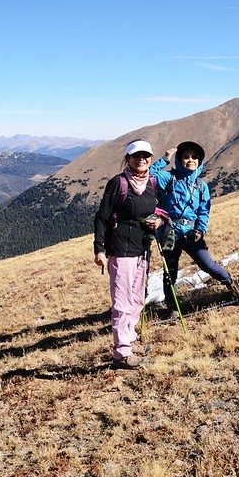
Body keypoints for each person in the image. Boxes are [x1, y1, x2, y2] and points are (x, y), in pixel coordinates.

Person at [94, 140, 161, 370]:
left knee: (136, 299)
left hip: (142, 250)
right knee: (121, 303)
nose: (141, 159)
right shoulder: (119, 183)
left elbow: (155, 210)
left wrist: (158, 220)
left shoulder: (151, 182)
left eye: (145, 156)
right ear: (128, 159)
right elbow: (102, 217)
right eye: (136, 156)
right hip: (121, 251)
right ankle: (121, 354)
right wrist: (99, 249)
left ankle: (130, 342)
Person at [150, 141, 236, 311]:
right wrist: (165, 159)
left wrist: (200, 231)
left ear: (200, 160)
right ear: (179, 159)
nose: (191, 160)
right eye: (186, 156)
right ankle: (173, 306)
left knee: (207, 264)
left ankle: (231, 284)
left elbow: (204, 211)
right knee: (170, 271)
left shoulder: (201, 185)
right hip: (169, 232)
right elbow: (146, 174)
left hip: (191, 232)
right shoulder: (168, 178)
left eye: (195, 157)